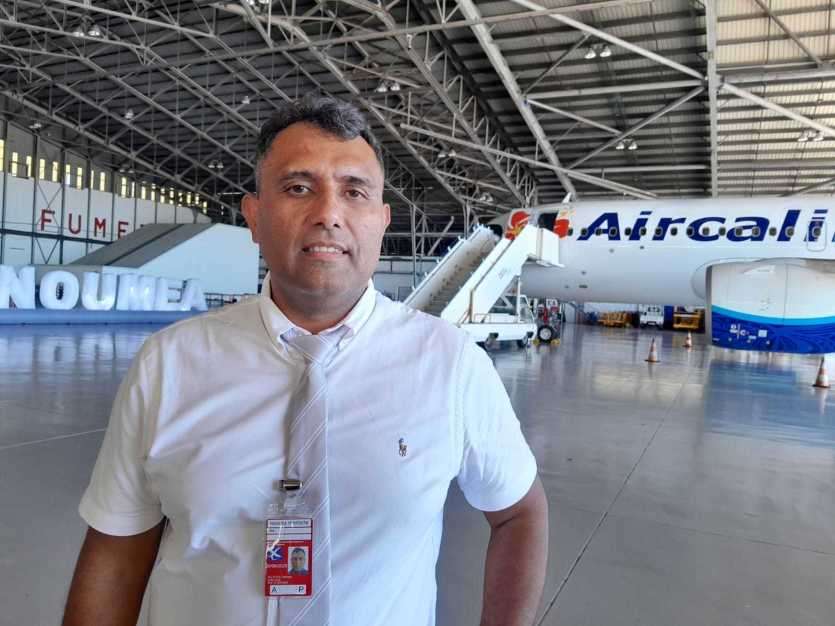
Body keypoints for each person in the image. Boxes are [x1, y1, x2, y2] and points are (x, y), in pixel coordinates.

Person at [62, 94, 548, 626]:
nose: (328, 214)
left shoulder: (451, 364)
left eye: (354, 191)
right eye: (298, 188)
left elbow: (518, 513)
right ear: (254, 216)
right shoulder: (169, 364)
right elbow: (116, 550)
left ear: (381, 221)